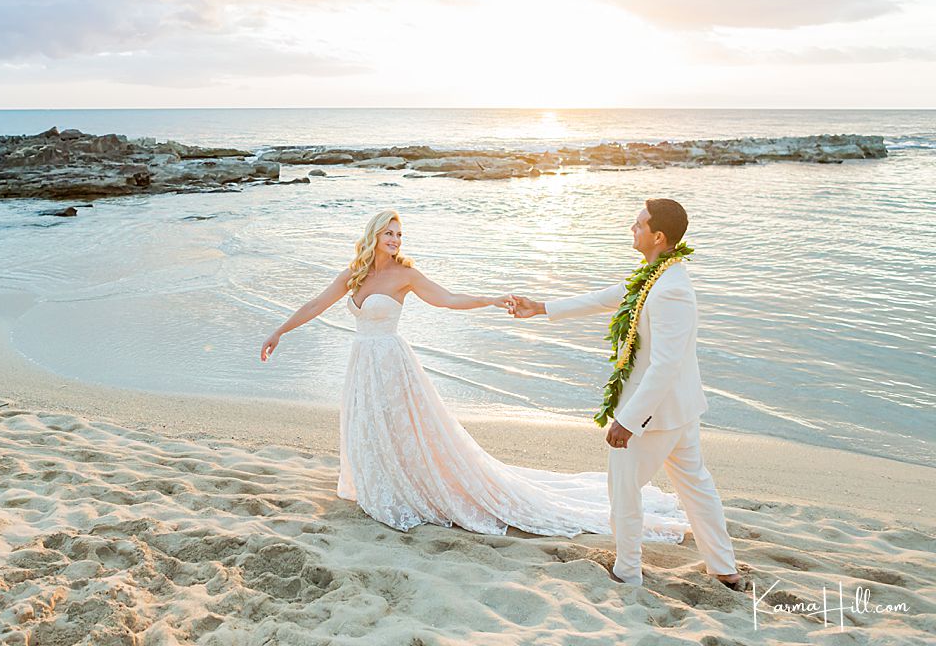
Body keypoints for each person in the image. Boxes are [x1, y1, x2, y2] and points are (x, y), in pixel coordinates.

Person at [261, 209, 689, 542]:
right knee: (367, 425)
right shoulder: (352, 275)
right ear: (373, 235)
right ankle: (379, 484)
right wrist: (280, 330)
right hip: (361, 362)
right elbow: (316, 304)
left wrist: (490, 299)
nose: (394, 240)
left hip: (392, 363)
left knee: (406, 428)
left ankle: (411, 487)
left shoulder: (406, 275)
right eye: (388, 233)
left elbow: (447, 300)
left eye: (399, 234)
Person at [508, 198, 741, 588]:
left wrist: (629, 420)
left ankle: (627, 571)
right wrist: (541, 308)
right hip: (677, 411)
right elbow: (602, 299)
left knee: (625, 491)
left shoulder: (670, 290)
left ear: (658, 236)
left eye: (638, 224)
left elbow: (665, 365)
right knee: (697, 489)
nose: (632, 229)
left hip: (657, 415)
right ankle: (724, 568)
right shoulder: (653, 275)